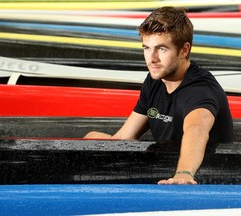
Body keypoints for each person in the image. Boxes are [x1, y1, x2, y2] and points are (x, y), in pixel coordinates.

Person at [84, 6, 233, 185]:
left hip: (210, 184)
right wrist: (89, 142)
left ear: (184, 50)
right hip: (165, 175)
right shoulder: (155, 79)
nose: (151, 58)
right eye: (147, 48)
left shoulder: (199, 90)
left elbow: (197, 130)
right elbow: (123, 139)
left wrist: (184, 173)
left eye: (161, 49)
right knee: (92, 136)